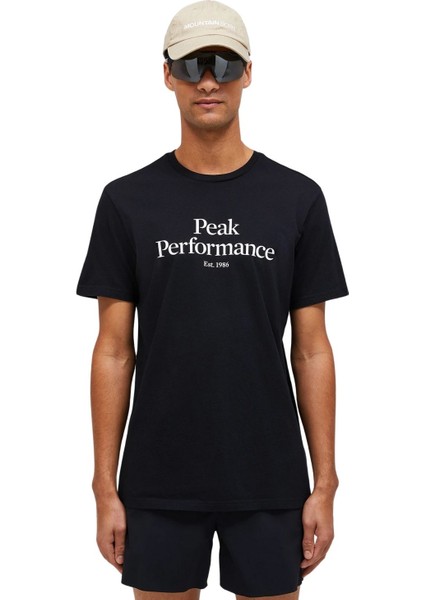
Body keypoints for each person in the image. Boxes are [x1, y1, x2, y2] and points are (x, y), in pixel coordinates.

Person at [76, 1, 349, 599]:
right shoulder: (127, 201)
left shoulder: (297, 198)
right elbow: (114, 351)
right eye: (191, 65)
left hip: (270, 475)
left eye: (224, 64)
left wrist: (325, 482)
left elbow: (312, 350)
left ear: (248, 73)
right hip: (158, 477)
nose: (208, 81)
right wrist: (104, 485)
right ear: (167, 75)